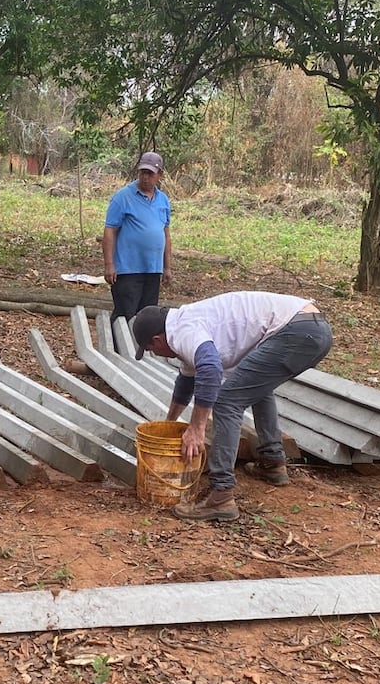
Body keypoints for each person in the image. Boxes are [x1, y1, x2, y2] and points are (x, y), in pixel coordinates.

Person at [133, 292, 333, 522]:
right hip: (311, 328)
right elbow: (185, 384)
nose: (155, 355)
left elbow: (210, 369)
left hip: (297, 332)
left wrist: (197, 429)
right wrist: (169, 424)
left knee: (227, 401)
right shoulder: (185, 325)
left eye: (150, 350)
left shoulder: (183, 331)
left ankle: (221, 497)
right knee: (255, 386)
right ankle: (272, 462)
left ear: (157, 340)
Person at [102, 151, 172, 322]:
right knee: (125, 315)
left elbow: (166, 234)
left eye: (150, 173)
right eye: (142, 172)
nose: (145, 177)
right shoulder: (123, 197)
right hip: (128, 270)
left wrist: (167, 267)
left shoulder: (162, 200)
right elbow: (110, 230)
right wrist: (109, 265)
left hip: (152, 269)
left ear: (159, 175)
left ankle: (140, 349)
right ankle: (116, 348)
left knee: (147, 317)